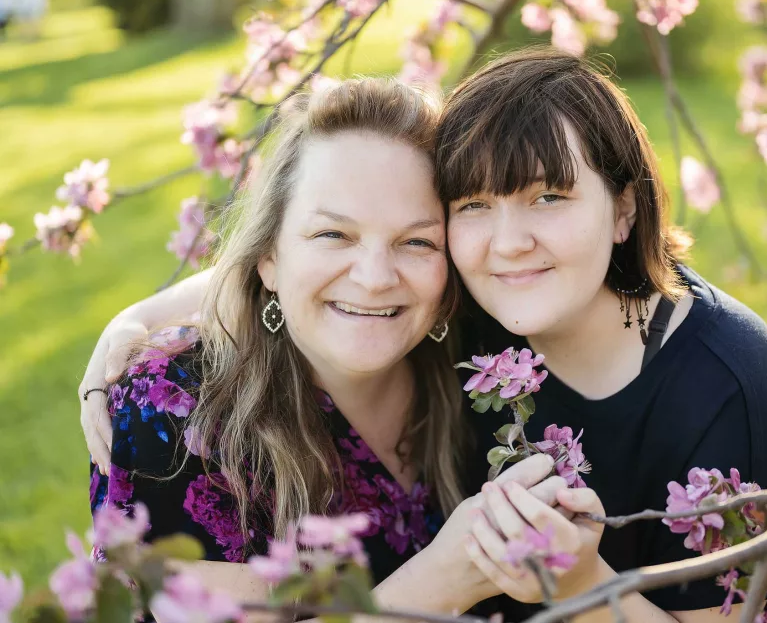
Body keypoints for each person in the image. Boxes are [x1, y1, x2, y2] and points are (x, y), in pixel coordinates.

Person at [79, 50, 767, 620]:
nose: (507, 243)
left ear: (625, 209)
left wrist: (577, 576)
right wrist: (136, 319)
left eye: (549, 196)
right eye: (475, 207)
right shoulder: (177, 417)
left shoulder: (709, 372)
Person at [84, 77, 569, 616]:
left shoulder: (487, 365)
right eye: (333, 235)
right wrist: (435, 587)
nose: (375, 278)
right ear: (268, 255)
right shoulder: (172, 417)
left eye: (416, 242)